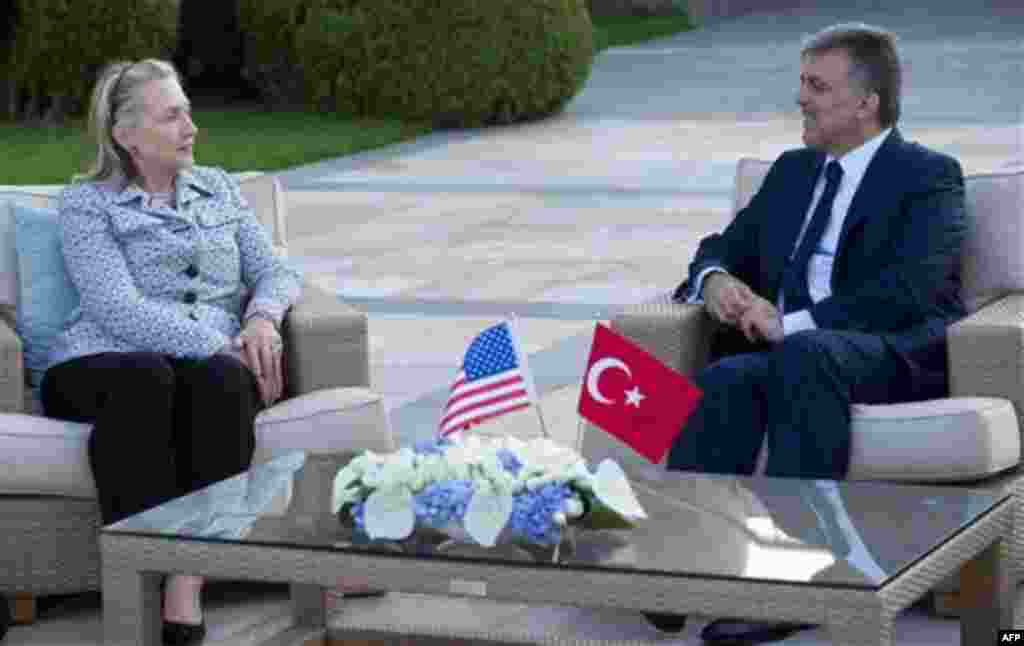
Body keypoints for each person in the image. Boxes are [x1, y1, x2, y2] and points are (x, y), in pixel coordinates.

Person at [644, 23, 967, 643]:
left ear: (867, 103)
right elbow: (721, 248)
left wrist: (788, 323)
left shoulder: (927, 177)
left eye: (817, 86)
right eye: (801, 83)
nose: (801, 99)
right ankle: (684, 567)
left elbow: (909, 294)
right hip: (791, 355)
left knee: (808, 353)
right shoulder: (793, 171)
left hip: (887, 352)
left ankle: (800, 587)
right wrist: (714, 282)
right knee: (726, 380)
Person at [41, 59, 302, 646]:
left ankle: (185, 586)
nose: (191, 127)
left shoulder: (221, 188)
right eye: (171, 115)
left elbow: (274, 270)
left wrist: (262, 318)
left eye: (187, 111)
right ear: (125, 135)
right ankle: (138, 572)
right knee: (147, 379)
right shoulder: (87, 203)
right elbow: (115, 306)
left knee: (224, 386)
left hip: (207, 365)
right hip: (98, 359)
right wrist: (219, 343)